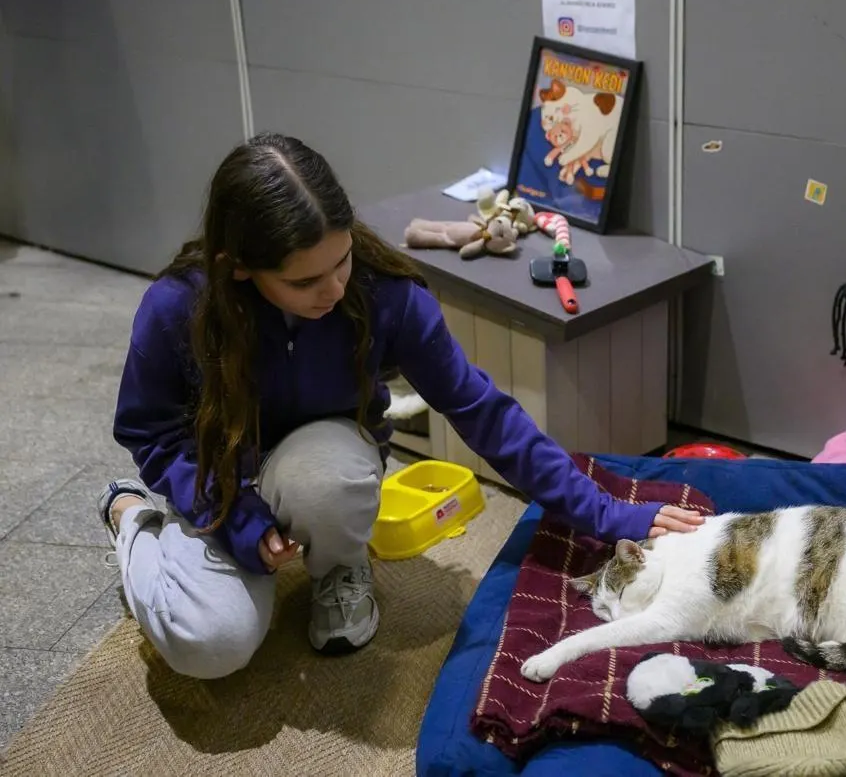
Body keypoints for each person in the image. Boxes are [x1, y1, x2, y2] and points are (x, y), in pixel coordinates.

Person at [99, 132, 703, 680]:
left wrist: (606, 512)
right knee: (212, 646)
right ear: (237, 270)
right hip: (217, 480)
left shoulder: (385, 293)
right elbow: (150, 433)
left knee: (325, 476)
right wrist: (229, 515)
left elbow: (482, 411)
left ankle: (340, 566)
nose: (334, 289)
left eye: (342, 260)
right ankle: (132, 520)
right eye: (304, 282)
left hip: (324, 463)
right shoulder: (177, 307)